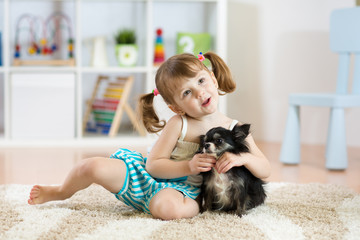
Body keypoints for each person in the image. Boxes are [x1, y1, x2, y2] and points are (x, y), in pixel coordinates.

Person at [28, 52, 271, 220]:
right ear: (176, 107)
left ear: (214, 79)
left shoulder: (234, 128)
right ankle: (60, 191)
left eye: (201, 81)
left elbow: (265, 168)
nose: (199, 92)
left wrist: (243, 159)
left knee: (166, 208)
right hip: (146, 177)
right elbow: (153, 166)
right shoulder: (179, 123)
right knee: (90, 166)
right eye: (187, 92)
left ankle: (157, 205)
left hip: (185, 192)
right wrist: (188, 165)